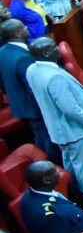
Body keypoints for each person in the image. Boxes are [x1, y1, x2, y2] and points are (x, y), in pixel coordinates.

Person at [26, 38, 83, 215]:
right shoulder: (55, 76)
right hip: (74, 131)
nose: (58, 49)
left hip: (58, 130)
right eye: (54, 47)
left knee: (71, 168)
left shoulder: (33, 69)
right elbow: (69, 108)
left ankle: (77, 199)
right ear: (46, 53)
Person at [0, 20, 55, 161]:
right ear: (18, 33)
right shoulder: (23, 57)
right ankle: (51, 164)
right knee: (47, 136)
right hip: (34, 107)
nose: (26, 28)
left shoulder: (3, 51)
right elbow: (33, 87)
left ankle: (42, 159)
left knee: (38, 134)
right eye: (23, 27)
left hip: (19, 104)